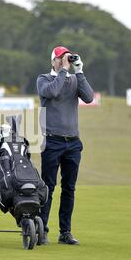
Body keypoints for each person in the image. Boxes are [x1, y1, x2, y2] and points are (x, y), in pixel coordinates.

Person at [36, 46, 94, 245]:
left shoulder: (74, 79)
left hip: (73, 142)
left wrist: (79, 72)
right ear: (53, 61)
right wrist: (63, 71)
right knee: (48, 188)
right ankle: (41, 229)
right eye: (60, 59)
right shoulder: (43, 79)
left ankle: (65, 232)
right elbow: (52, 92)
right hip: (52, 141)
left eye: (65, 58)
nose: (63, 61)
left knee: (69, 189)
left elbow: (88, 97)